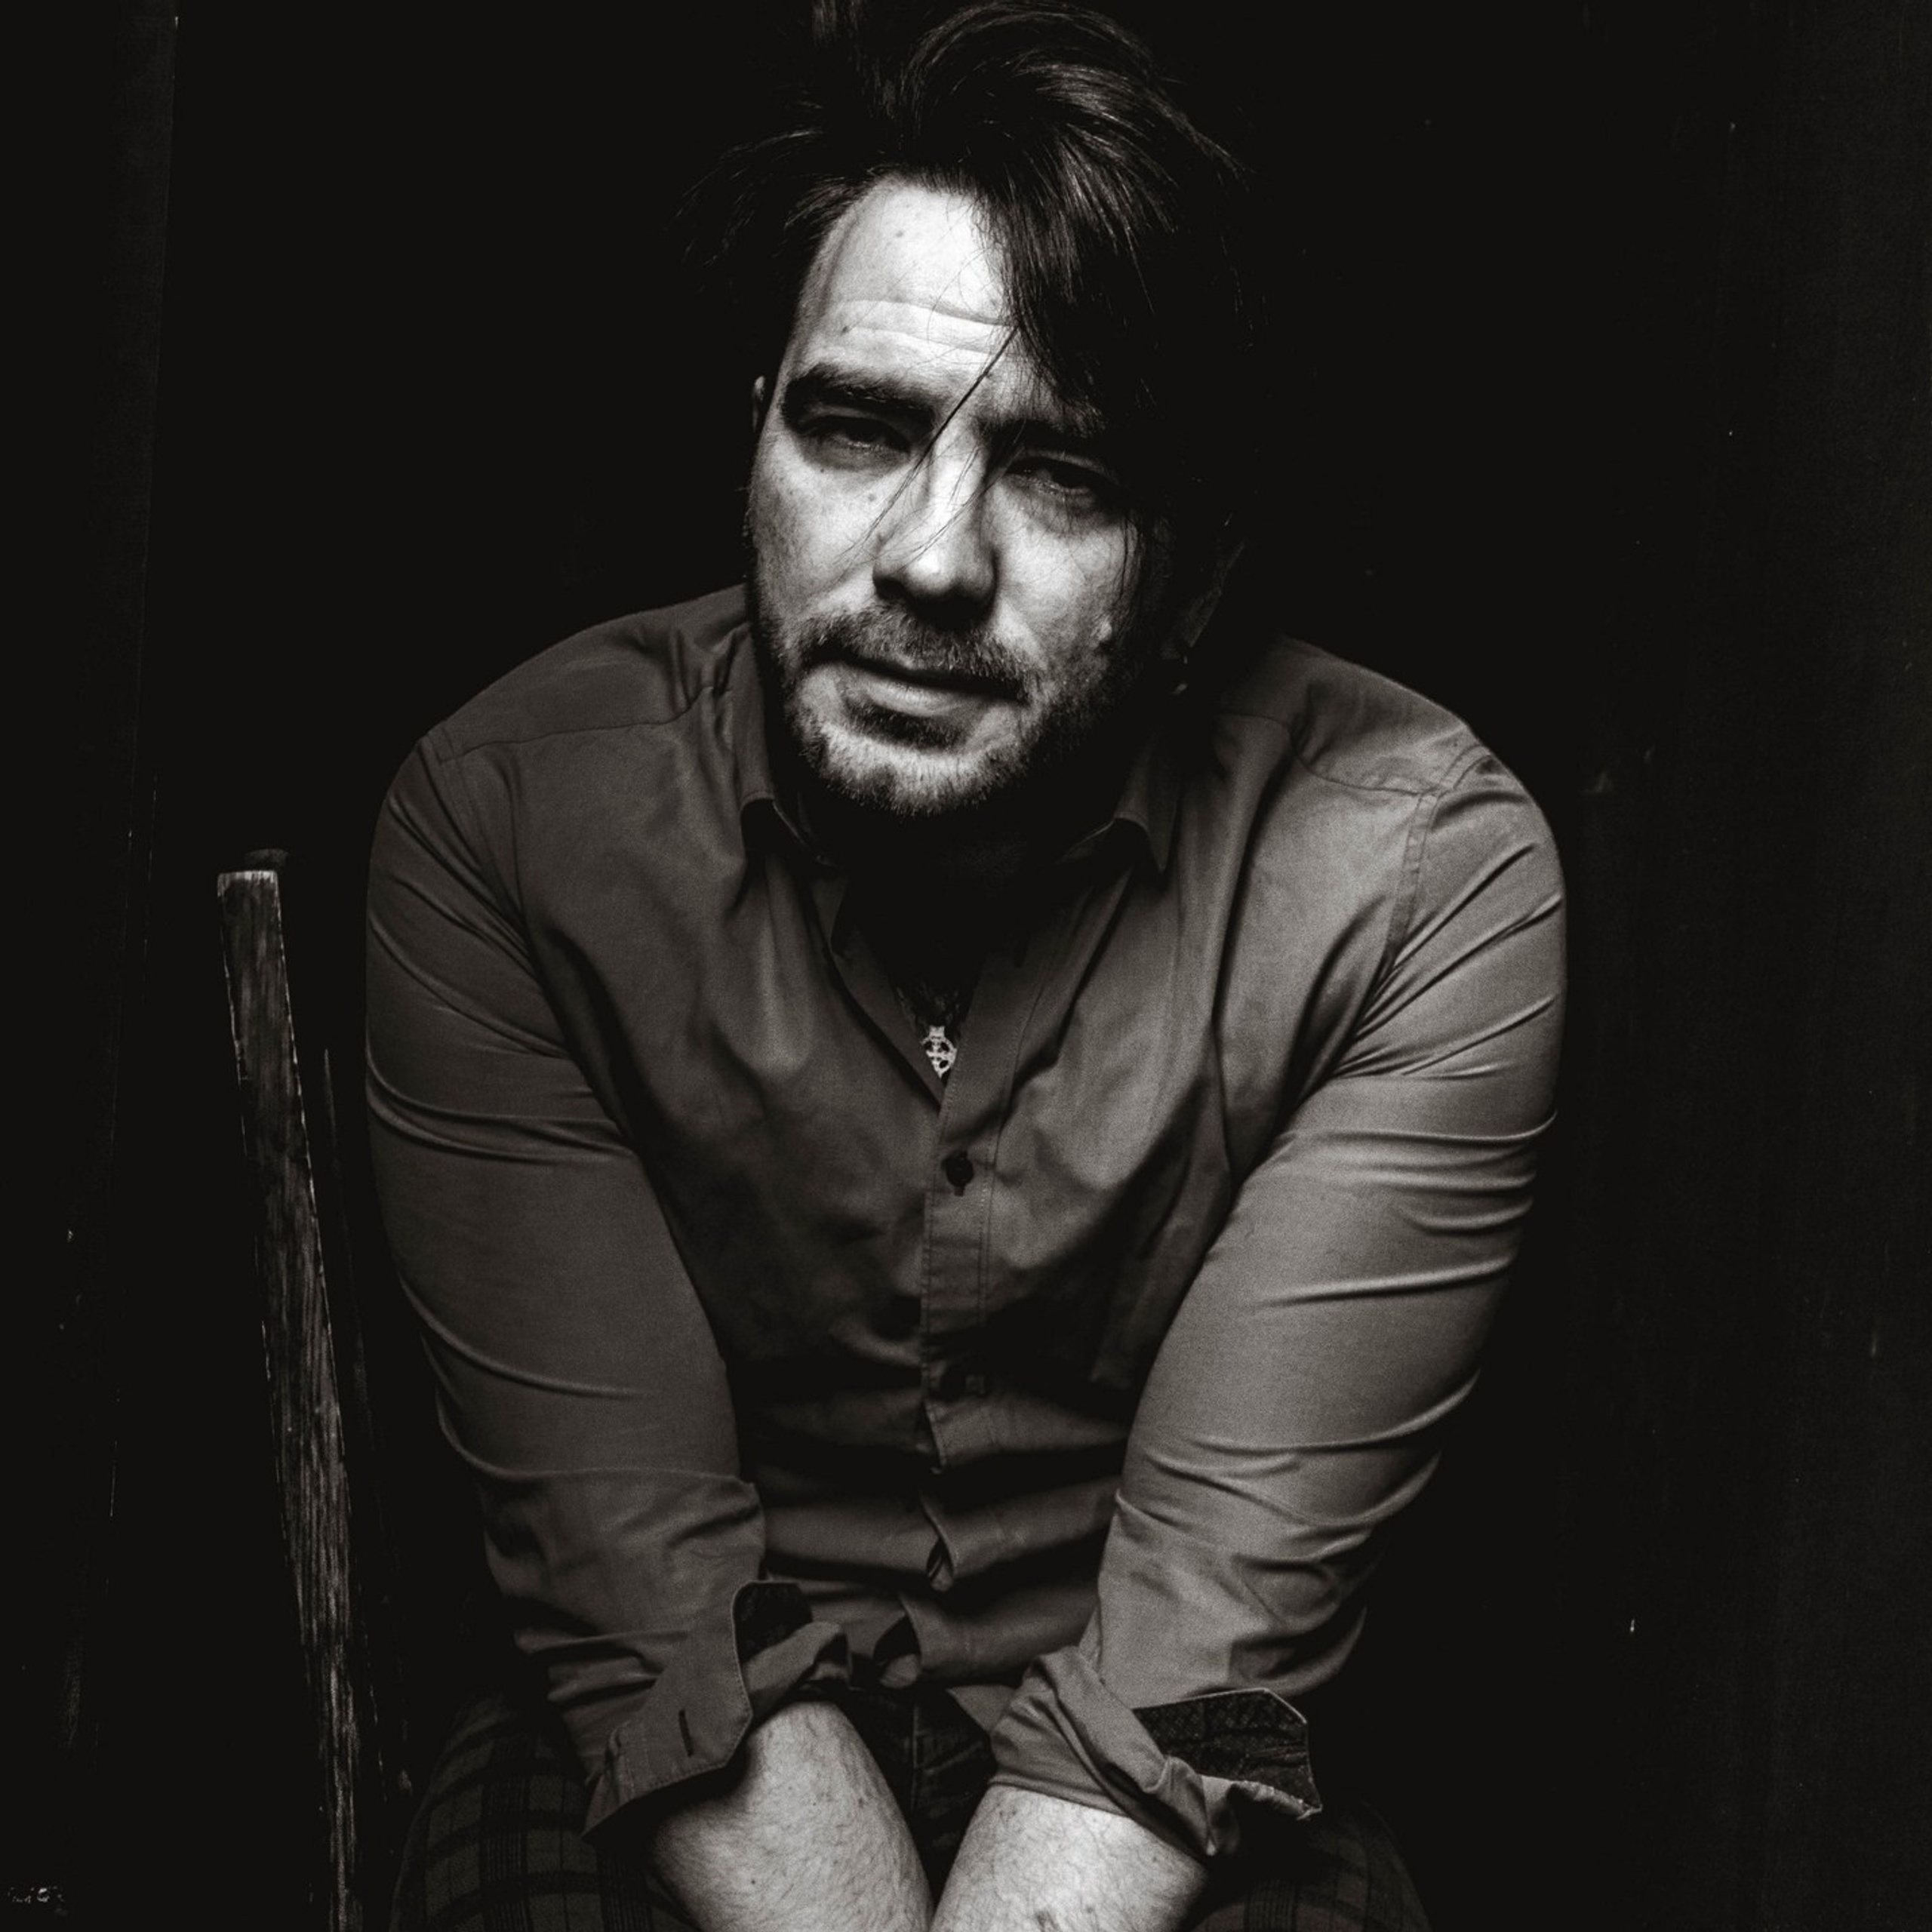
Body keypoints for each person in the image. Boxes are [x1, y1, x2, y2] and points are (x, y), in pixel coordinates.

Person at [365, 5, 1566, 1927]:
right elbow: (639, 1587)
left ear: (1194, 566)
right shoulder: (517, 821)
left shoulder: (1411, 875)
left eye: (1063, 470)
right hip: (682, 1723)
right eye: (855, 429)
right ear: (755, 435)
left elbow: (1207, 1637)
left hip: (1167, 1754)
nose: (930, 558)